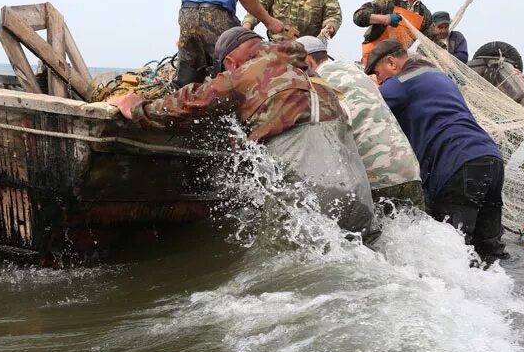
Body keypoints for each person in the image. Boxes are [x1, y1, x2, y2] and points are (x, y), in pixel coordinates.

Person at [109, 27, 374, 233]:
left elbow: (192, 101)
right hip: (359, 194)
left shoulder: (247, 72)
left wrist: (137, 107)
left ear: (232, 63)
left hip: (315, 196)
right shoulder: (309, 73)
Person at [367, 39, 508, 263]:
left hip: (456, 166)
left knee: (453, 252)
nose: (379, 79)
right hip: (490, 159)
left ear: (392, 63)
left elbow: (365, 106)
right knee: (490, 250)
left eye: (377, 72)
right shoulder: (441, 77)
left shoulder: (400, 82)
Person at [296, 35, 424, 210]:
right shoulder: (352, 70)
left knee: (385, 236)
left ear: (309, 61)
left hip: (379, 178)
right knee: (417, 231)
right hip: (409, 169)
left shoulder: (317, 83)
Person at [353, 0, 435, 65]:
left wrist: (444, 53)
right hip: (373, 60)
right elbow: (359, 16)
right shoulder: (389, 0)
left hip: (397, 64)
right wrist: (385, 19)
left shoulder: (423, 13)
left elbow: (433, 41)